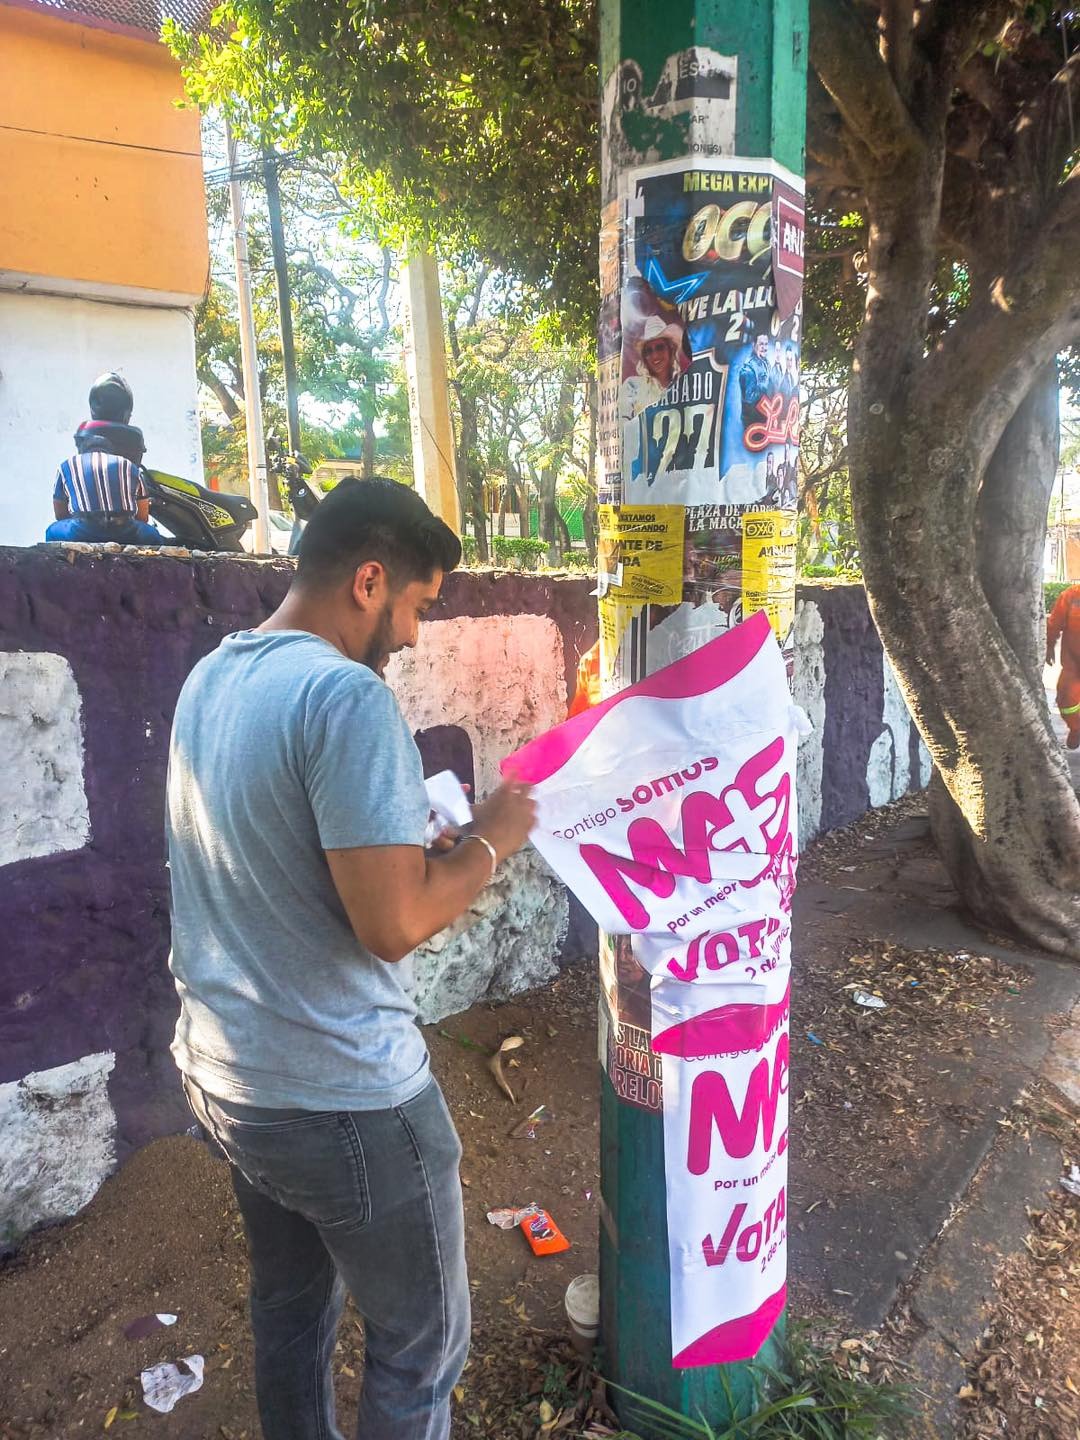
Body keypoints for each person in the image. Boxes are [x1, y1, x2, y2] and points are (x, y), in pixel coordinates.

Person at [166, 476, 537, 1440]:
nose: (413, 635)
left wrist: (418, 846)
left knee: (290, 1311)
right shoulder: (346, 696)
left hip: (233, 1079)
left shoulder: (214, 677)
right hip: (346, 1098)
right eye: (418, 606)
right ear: (370, 581)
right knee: (421, 1348)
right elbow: (394, 924)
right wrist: (493, 838)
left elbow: (294, 856)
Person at [46, 372, 162, 545]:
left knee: (51, 530)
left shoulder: (66, 466)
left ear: (82, 446)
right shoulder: (130, 466)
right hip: (125, 531)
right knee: (153, 535)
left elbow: (60, 514)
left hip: (82, 530)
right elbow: (143, 517)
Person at [619, 313, 683, 421]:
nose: (655, 356)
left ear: (670, 349)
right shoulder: (632, 387)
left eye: (660, 347)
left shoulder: (683, 384)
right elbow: (624, 425)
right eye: (649, 351)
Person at [1047, 583, 1080, 748]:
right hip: (1073, 663)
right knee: (1066, 698)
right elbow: (1054, 623)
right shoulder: (1071, 596)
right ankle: (1076, 728)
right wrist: (1049, 645)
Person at [739, 332, 772, 431]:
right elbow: (749, 397)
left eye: (766, 344)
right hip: (753, 422)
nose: (764, 347)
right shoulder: (748, 368)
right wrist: (764, 387)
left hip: (766, 419)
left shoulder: (766, 363)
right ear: (754, 345)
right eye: (761, 344)